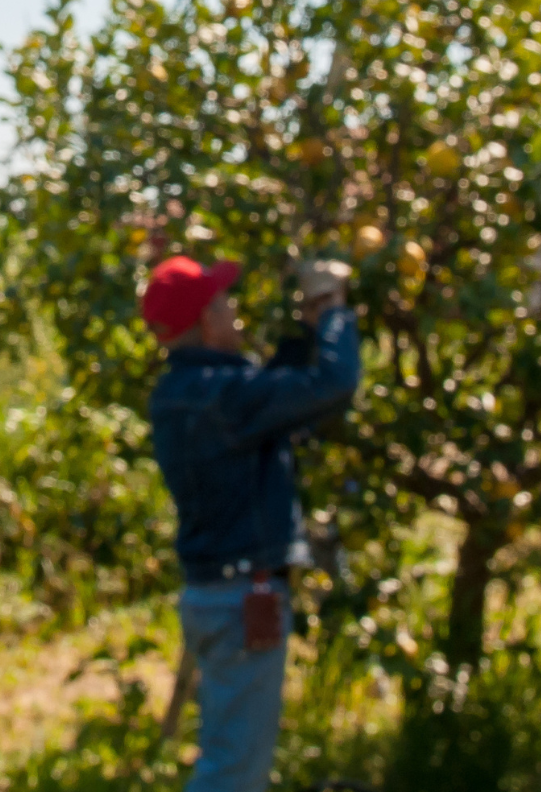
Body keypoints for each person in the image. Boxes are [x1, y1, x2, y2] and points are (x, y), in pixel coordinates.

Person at [144, 254, 362, 792]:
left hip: (214, 594)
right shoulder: (224, 397)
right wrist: (335, 312)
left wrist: (306, 331)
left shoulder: (182, 393)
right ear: (209, 321)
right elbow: (333, 384)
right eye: (225, 303)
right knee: (233, 773)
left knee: (231, 761)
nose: (234, 311)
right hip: (245, 599)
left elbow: (270, 396)